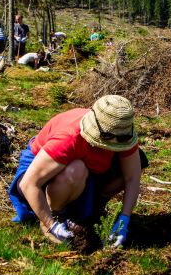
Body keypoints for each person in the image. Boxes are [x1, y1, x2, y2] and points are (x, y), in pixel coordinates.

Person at [8, 95, 148, 246]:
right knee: (76, 169)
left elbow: (132, 178)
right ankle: (56, 214)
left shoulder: (122, 132)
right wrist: (50, 224)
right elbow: (29, 183)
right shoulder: (69, 137)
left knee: (137, 161)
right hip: (45, 170)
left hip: (91, 169)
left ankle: (93, 208)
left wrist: (124, 219)